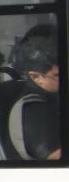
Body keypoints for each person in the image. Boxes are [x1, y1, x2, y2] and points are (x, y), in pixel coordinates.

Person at [10, 24, 61, 161]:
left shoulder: (55, 96)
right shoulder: (34, 111)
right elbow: (56, 157)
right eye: (59, 74)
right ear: (36, 77)